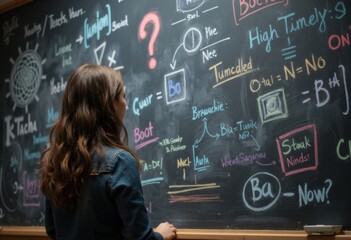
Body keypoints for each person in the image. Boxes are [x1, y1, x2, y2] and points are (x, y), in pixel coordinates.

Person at [39, 64, 176, 240]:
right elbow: (140, 238)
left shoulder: (55, 161)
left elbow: (52, 229)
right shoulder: (119, 162)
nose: (126, 104)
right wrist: (161, 235)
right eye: (123, 96)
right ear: (109, 104)